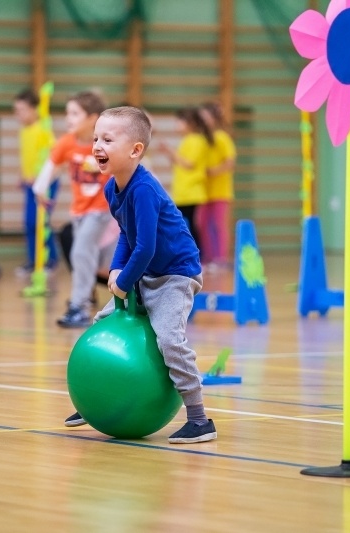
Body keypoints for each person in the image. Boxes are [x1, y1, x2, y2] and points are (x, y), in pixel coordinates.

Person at [63, 106, 216, 444]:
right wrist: (118, 268)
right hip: (146, 271)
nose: (98, 146)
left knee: (169, 340)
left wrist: (125, 279)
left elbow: (145, 246)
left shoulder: (144, 189)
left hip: (175, 274)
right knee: (100, 324)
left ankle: (200, 419)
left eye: (108, 139)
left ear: (135, 150)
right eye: (96, 139)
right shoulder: (111, 190)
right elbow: (126, 236)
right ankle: (94, 403)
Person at [32, 91, 112, 328]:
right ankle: (91, 300)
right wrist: (40, 189)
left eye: (75, 113)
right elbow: (51, 165)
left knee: (80, 252)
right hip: (79, 211)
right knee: (94, 260)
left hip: (102, 209)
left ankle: (79, 306)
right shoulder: (67, 142)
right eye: (68, 113)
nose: (69, 118)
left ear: (92, 118)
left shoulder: (104, 144)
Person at [13, 88, 58, 276]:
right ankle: (34, 261)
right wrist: (23, 176)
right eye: (16, 110)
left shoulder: (43, 130)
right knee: (30, 223)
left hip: (46, 183)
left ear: (34, 109)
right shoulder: (24, 131)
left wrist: (41, 178)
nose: (18, 115)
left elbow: (53, 158)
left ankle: (49, 260)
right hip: (30, 184)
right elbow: (28, 157)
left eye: (22, 110)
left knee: (38, 222)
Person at [157, 107, 213, 253]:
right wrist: (169, 153)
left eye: (180, 121)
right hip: (183, 192)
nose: (177, 124)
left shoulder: (196, 141)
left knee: (190, 226)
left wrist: (170, 151)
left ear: (190, 123)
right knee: (185, 225)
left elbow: (189, 164)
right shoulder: (186, 141)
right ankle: (192, 254)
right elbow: (178, 163)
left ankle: (198, 256)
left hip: (192, 191)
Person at [198, 102, 236, 271]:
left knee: (218, 225)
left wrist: (214, 171)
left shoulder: (221, 137)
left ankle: (220, 259)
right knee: (203, 223)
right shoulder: (202, 139)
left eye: (206, 117)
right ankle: (208, 258)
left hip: (220, 191)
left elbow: (230, 162)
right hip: (204, 191)